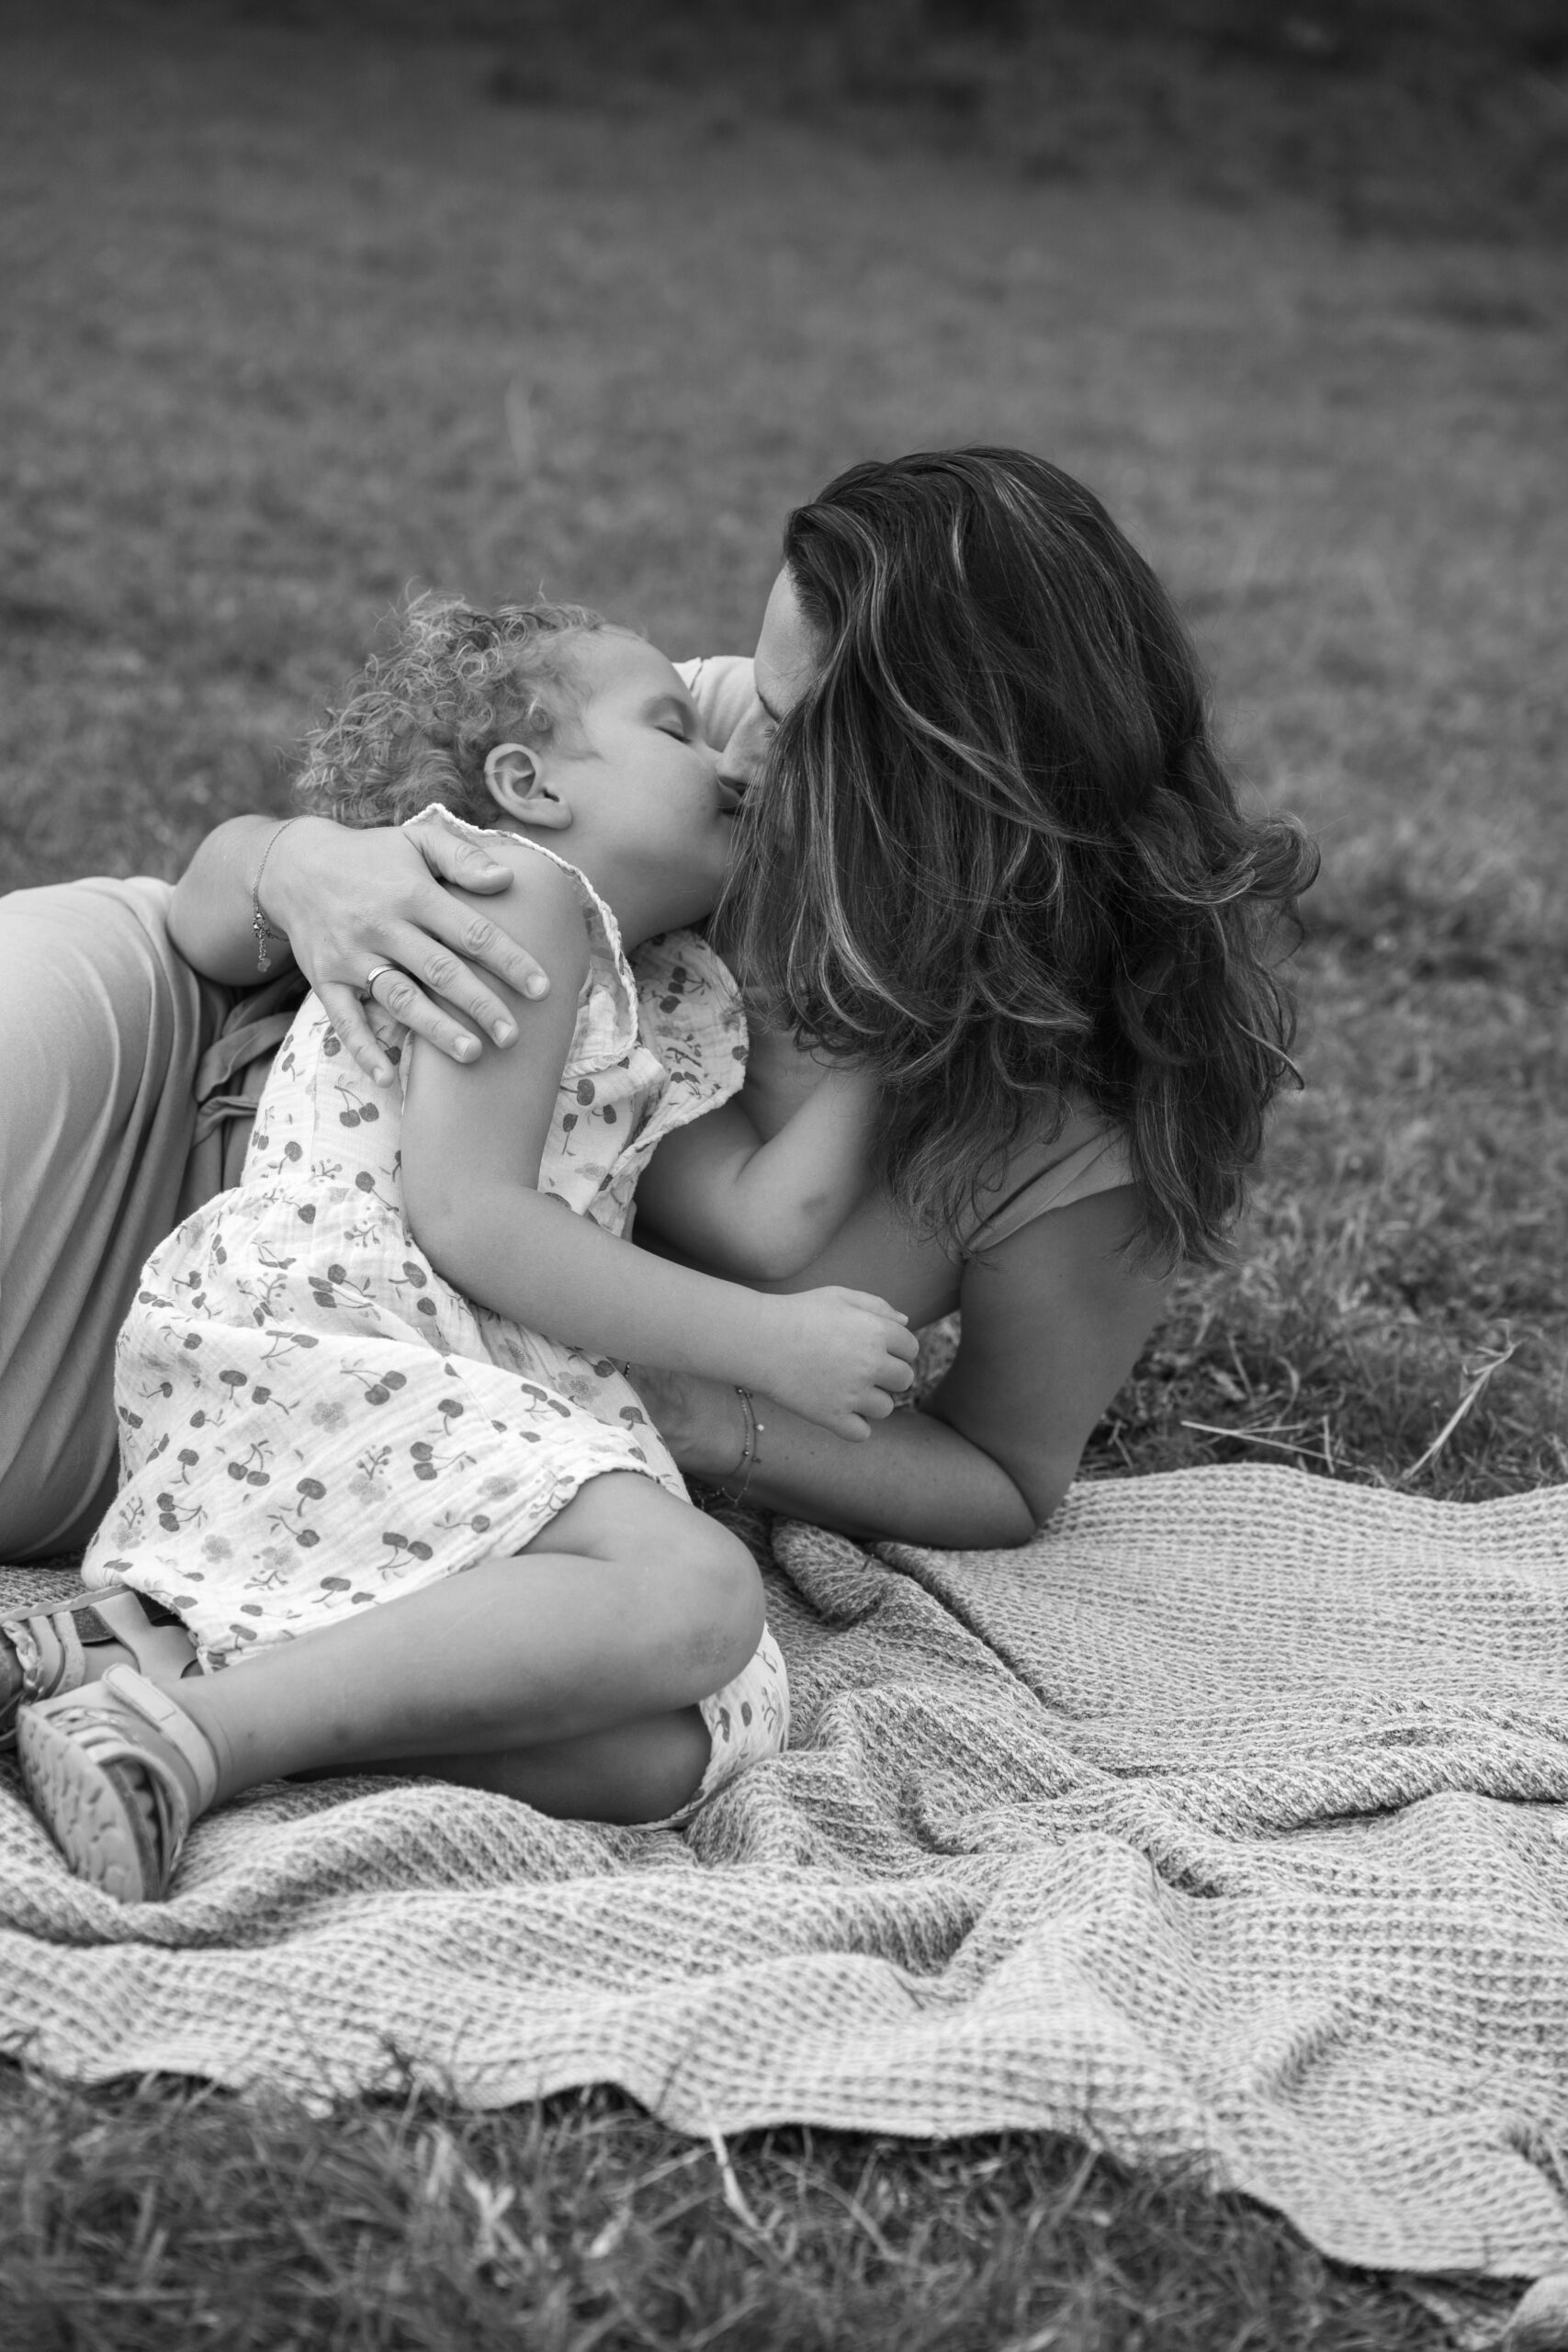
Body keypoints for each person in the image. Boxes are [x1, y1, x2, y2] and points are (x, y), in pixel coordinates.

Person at [7, 592, 919, 1901]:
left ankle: (145, 1662)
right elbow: (471, 1216)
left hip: (456, 1370)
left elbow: (766, 1217)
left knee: (679, 1740)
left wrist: (908, 1014)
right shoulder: (513, 895)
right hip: (345, 1333)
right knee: (699, 1595)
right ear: (528, 783)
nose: (728, 760)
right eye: (673, 729)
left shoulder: (661, 988)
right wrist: (767, 1345)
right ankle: (193, 1737)